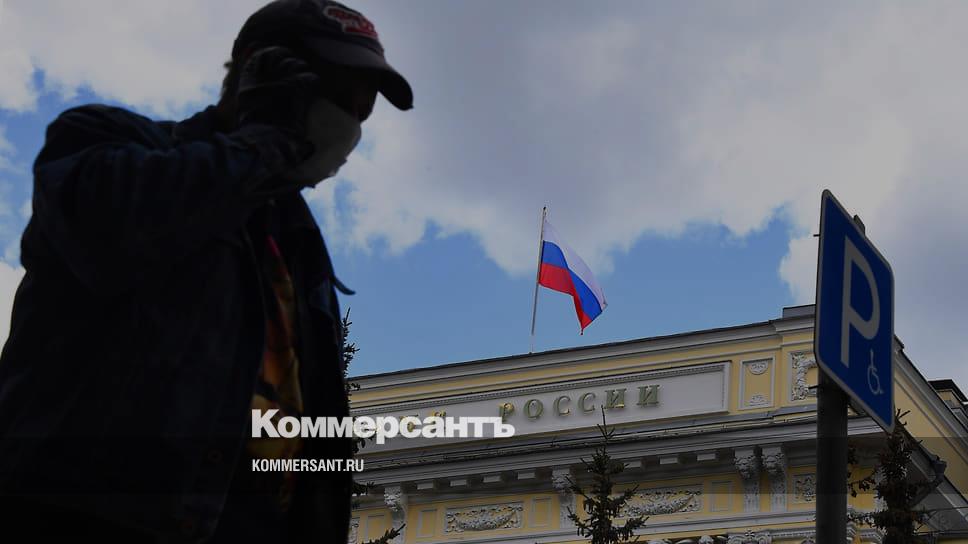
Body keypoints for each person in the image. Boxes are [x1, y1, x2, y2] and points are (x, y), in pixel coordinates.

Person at [0, 1, 412, 542]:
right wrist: (265, 141)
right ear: (261, 70)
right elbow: (107, 234)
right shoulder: (108, 141)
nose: (352, 124)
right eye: (341, 96)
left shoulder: (299, 244)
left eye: (363, 111)